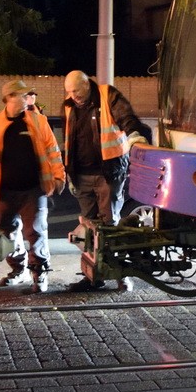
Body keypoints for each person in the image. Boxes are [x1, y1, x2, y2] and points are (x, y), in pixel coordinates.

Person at [62, 70, 151, 292]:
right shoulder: (70, 105)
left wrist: (134, 135)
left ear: (87, 84)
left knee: (109, 226)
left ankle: (121, 274)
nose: (74, 96)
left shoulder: (106, 95)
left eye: (77, 91)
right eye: (70, 92)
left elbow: (125, 117)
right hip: (82, 175)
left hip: (108, 174)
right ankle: (93, 276)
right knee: (88, 228)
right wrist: (69, 173)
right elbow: (70, 140)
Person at [0, 79, 65, 293]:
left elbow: (53, 150)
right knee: (8, 234)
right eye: (23, 95)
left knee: (36, 232)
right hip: (3, 191)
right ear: (10, 97)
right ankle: (18, 270)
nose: (28, 99)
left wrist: (59, 176)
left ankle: (39, 273)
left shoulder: (38, 121)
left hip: (33, 189)